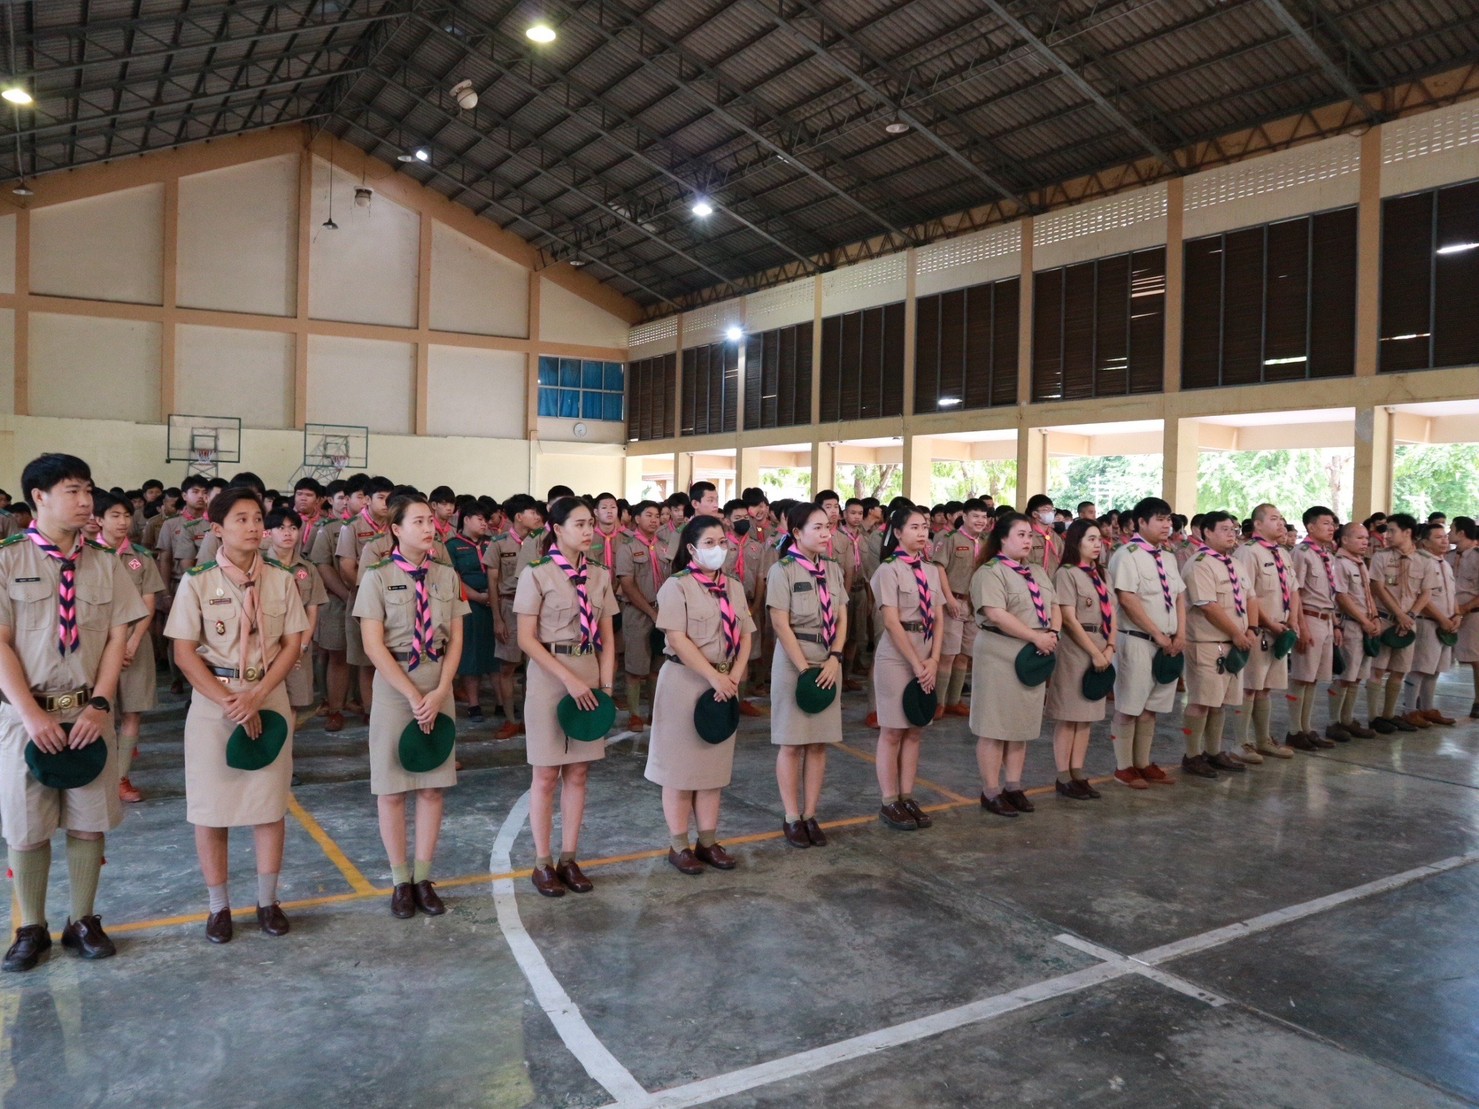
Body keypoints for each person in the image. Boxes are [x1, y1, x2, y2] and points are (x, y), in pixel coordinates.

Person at [0, 456, 147, 972]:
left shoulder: (105, 562)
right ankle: (31, 927)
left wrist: (102, 704)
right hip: (26, 717)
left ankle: (82, 920)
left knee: (88, 822)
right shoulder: (8, 559)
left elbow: (117, 637)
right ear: (38, 497)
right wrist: (31, 714)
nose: (86, 502)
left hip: (88, 713)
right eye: (72, 491)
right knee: (27, 826)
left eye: (88, 490)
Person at [166, 487, 308, 944]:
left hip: (267, 695)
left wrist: (258, 695)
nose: (253, 527)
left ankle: (268, 901)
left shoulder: (281, 579)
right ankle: (218, 907)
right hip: (215, 703)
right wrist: (231, 702)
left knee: (269, 805)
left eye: (256, 519)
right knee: (212, 810)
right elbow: (184, 654)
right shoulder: (197, 582)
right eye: (241, 519)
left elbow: (292, 644)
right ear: (217, 529)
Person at [355, 495, 468, 918]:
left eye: (430, 521)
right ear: (396, 529)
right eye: (417, 521)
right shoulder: (378, 577)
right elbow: (373, 645)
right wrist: (411, 695)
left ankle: (423, 878)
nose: (427, 528)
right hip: (394, 686)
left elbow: (456, 639)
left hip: (437, 681)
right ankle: (400, 881)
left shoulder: (446, 575)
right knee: (392, 789)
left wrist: (440, 691)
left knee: (433, 786)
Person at [515, 497, 618, 897]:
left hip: (588, 672)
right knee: (545, 775)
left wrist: (605, 688)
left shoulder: (599, 574)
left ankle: (569, 858)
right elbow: (527, 639)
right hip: (549, 675)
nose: (589, 530)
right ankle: (542, 862)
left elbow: (608, 639)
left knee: (578, 772)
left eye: (590, 523)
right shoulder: (537, 573)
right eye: (579, 524)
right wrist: (568, 679)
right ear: (557, 529)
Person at [646, 515, 753, 874]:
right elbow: (677, 639)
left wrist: (733, 677)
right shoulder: (677, 587)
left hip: (724, 683)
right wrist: (713, 677)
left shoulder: (733, 587)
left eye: (722, 542)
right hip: (686, 681)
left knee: (712, 769)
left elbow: (746, 634)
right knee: (680, 770)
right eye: (709, 543)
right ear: (691, 549)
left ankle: (707, 842)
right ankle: (679, 845)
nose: (718, 549)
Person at [767, 502, 848, 849]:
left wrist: (835, 658)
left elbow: (842, 616)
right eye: (817, 527)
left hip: (828, 660)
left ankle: (811, 814)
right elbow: (780, 623)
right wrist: (803, 669)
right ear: (797, 533)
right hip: (794, 660)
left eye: (828, 527)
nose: (826, 533)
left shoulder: (833, 569)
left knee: (818, 742)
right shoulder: (782, 570)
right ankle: (791, 816)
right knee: (791, 743)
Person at [970, 512, 1059, 816]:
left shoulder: (1037, 571)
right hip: (1001, 651)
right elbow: (996, 614)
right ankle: (991, 791)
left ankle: (1013, 786)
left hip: (1034, 653)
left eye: (1030, 535)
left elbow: (1054, 604)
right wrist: (1035, 637)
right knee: (994, 725)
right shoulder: (990, 572)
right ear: (1002, 538)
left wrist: (1053, 633)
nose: (1027, 541)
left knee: (1022, 724)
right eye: (1020, 535)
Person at [869, 505, 942, 830]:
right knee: (893, 730)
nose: (922, 532)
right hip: (898, 656)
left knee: (915, 728)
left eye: (924, 526)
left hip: (925, 652)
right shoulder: (889, 570)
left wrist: (934, 660)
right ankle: (889, 800)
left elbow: (938, 617)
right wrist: (916, 663)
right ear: (897, 532)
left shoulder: (931, 570)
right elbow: (891, 621)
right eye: (914, 527)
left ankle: (907, 795)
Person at [1107, 498, 1186, 789]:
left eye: (1168, 519)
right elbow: (1127, 599)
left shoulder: (1168, 556)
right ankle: (1123, 767)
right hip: (1138, 640)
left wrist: (1180, 634)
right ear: (1141, 522)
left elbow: (1178, 596)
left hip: (1168, 643)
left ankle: (1142, 762)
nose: (1167, 525)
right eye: (1160, 519)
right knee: (1129, 706)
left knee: (1152, 707)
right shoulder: (1126, 555)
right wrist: (1157, 633)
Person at [92, 490, 164, 804]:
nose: (123, 522)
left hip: (136, 644)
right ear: (98, 520)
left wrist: (132, 642)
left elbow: (148, 603)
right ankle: (102, 776)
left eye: (126, 515)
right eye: (115, 516)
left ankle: (121, 777)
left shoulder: (141, 557)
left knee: (133, 712)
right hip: (97, 647)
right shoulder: (87, 556)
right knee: (101, 712)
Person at [1178, 511, 1258, 779]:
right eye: (1224, 529)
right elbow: (1208, 606)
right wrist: (1237, 633)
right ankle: (1192, 755)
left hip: (1235, 642)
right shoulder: (1199, 564)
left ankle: (1214, 752)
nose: (1231, 534)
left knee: (1220, 701)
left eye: (1233, 529)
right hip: (1208, 642)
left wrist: (1252, 628)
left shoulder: (1235, 563)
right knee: (1202, 701)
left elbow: (1251, 597)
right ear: (1207, 532)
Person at [1232, 504, 1312, 755]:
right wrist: (1268, 623)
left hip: (1281, 630)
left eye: (1282, 519)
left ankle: (1263, 740)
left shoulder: (1282, 553)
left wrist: (1293, 620)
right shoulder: (1248, 552)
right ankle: (1241, 743)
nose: (1281, 524)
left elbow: (1294, 589)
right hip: (1259, 631)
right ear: (1257, 524)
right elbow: (1248, 595)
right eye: (1274, 519)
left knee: (1265, 688)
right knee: (1250, 687)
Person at [1045, 519, 1115, 799]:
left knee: (1086, 717)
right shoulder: (1067, 574)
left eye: (1099, 539)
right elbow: (1069, 619)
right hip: (1076, 649)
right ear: (1076, 542)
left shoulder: (1102, 574)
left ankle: (1078, 772)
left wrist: (1110, 647)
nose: (1097, 544)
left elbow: (1112, 613)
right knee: (1069, 716)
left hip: (1102, 644)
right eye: (1091, 539)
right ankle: (1063, 776)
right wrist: (1095, 652)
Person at [336, 475, 396, 721]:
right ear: (367, 500)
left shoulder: (396, 525)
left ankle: (390, 709)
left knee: (392, 655)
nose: (386, 503)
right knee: (367, 659)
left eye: (389, 498)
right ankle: (371, 711)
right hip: (365, 599)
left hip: (396, 600)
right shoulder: (352, 527)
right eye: (380, 498)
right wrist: (368, 594)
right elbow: (347, 567)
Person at [486, 493, 543, 741]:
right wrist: (497, 618)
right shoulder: (499, 543)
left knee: (535, 667)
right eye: (532, 512)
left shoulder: (543, 540)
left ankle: (531, 719)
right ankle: (511, 719)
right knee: (507, 667)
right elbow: (492, 583)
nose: (538, 516)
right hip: (509, 607)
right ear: (519, 517)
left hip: (536, 608)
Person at [1368, 514, 1430, 734]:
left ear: (1407, 532)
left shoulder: (1424, 560)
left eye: (1392, 530)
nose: (1388, 535)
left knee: (1399, 670)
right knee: (1378, 669)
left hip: (1408, 623)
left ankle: (1389, 715)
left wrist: (1410, 615)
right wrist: (1399, 615)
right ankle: (1373, 717)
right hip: (1386, 620)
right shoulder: (1381, 557)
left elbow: (1426, 592)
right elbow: (1378, 587)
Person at [264, 507, 327, 717]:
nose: (287, 533)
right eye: (280, 528)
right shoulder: (258, 565)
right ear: (268, 533)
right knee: (266, 700)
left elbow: (312, 610)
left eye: (292, 528)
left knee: (293, 702)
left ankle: (288, 740)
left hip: (298, 644)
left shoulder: (307, 569)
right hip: (266, 645)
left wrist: (302, 646)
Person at [1289, 506, 1344, 744]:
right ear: (1310, 527)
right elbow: (1296, 593)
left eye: (1333, 524)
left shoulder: (1327, 555)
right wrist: (1301, 627)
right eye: (1325, 524)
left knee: (1313, 678)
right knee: (1301, 676)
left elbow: (1330, 593)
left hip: (1326, 619)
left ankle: (1307, 728)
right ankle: (1294, 731)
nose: (1331, 528)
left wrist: (1335, 624)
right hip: (1309, 618)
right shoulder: (1301, 553)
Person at [931, 498, 990, 721]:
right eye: (975, 516)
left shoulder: (985, 542)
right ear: (963, 517)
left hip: (975, 604)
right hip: (953, 602)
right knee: (948, 654)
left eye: (983, 517)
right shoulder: (950, 539)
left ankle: (954, 701)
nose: (980, 521)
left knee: (965, 655)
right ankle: (938, 702)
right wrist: (948, 599)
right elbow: (939, 568)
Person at [615, 500, 665, 735]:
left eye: (657, 515)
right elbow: (627, 584)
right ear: (636, 519)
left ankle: (655, 712)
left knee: (658, 665)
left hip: (663, 611)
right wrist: (651, 612)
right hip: (637, 613)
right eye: (648, 515)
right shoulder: (627, 547)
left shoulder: (664, 547)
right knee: (635, 667)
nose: (654, 520)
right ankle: (634, 714)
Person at [1403, 521, 1459, 727]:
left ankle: (1427, 708)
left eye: (1445, 536)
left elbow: (1451, 594)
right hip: (1427, 622)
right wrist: (1441, 619)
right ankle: (1410, 710)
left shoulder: (1445, 563)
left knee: (1435, 669)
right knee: (1420, 667)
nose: (1444, 540)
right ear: (1425, 542)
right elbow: (1421, 597)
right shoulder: (1419, 561)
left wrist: (1457, 615)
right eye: (1438, 537)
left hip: (1446, 624)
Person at [446, 503, 495, 723]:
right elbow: (454, 578)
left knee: (495, 654)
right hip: (469, 604)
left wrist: (492, 597)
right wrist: (477, 597)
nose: (485, 523)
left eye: (486, 519)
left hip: (494, 604)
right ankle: (474, 704)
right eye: (480, 519)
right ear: (466, 519)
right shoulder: (452, 546)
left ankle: (501, 703)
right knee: (471, 655)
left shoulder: (492, 543)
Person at [722, 499, 768, 718]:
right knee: (726, 652)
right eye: (737, 518)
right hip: (726, 604)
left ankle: (741, 700)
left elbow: (760, 577)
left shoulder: (756, 546)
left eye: (745, 518)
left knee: (747, 652)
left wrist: (756, 605)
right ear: (727, 521)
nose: (743, 521)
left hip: (749, 605)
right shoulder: (721, 545)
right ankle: (727, 696)